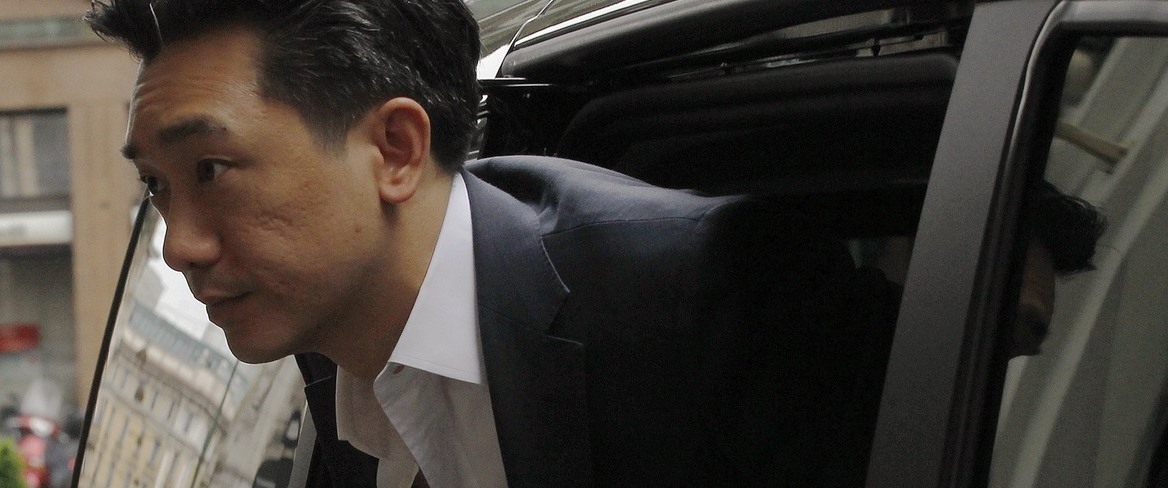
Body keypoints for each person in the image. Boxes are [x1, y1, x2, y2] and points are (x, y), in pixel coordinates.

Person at [85, 1, 898, 487]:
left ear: (396, 150)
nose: (178, 246)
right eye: (156, 185)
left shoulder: (699, 296)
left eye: (212, 170)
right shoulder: (326, 348)